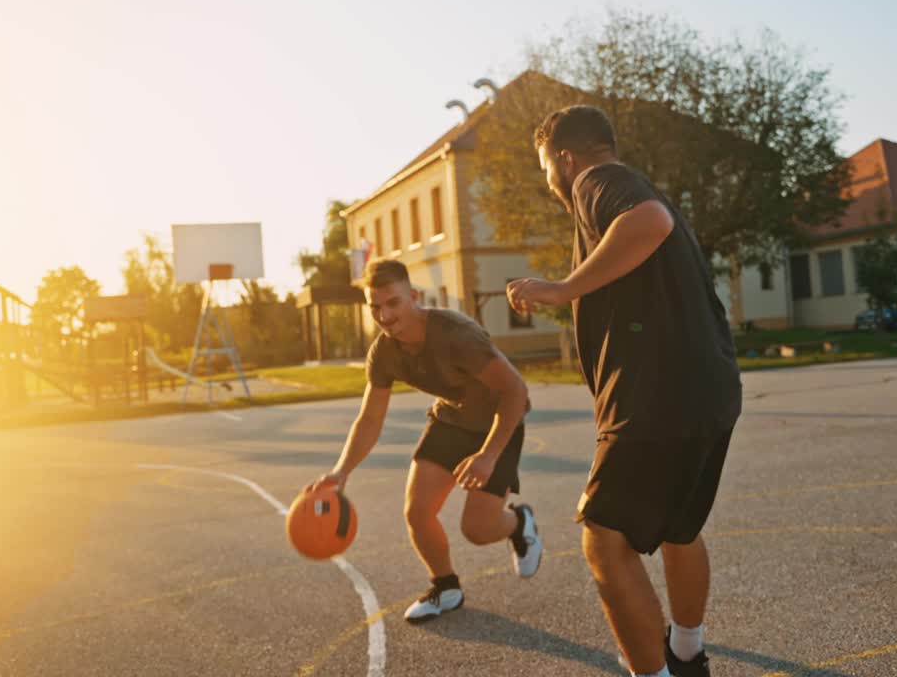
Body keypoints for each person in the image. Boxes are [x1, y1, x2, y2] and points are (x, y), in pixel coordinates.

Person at [507, 105, 742, 677]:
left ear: (565, 157)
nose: (550, 184)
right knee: (680, 529)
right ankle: (687, 654)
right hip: (707, 388)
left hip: (653, 397)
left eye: (545, 170)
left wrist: (561, 288)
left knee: (603, 541)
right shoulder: (628, 184)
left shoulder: (597, 181)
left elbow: (649, 223)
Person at [308, 258, 542, 623]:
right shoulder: (384, 351)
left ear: (413, 296)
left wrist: (487, 455)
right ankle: (445, 586)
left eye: (393, 303)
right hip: (450, 420)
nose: (384, 316)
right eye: (375, 307)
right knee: (417, 511)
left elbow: (515, 390)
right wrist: (341, 472)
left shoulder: (455, 335)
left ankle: (519, 523)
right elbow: (370, 418)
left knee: (478, 531)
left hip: (498, 422)